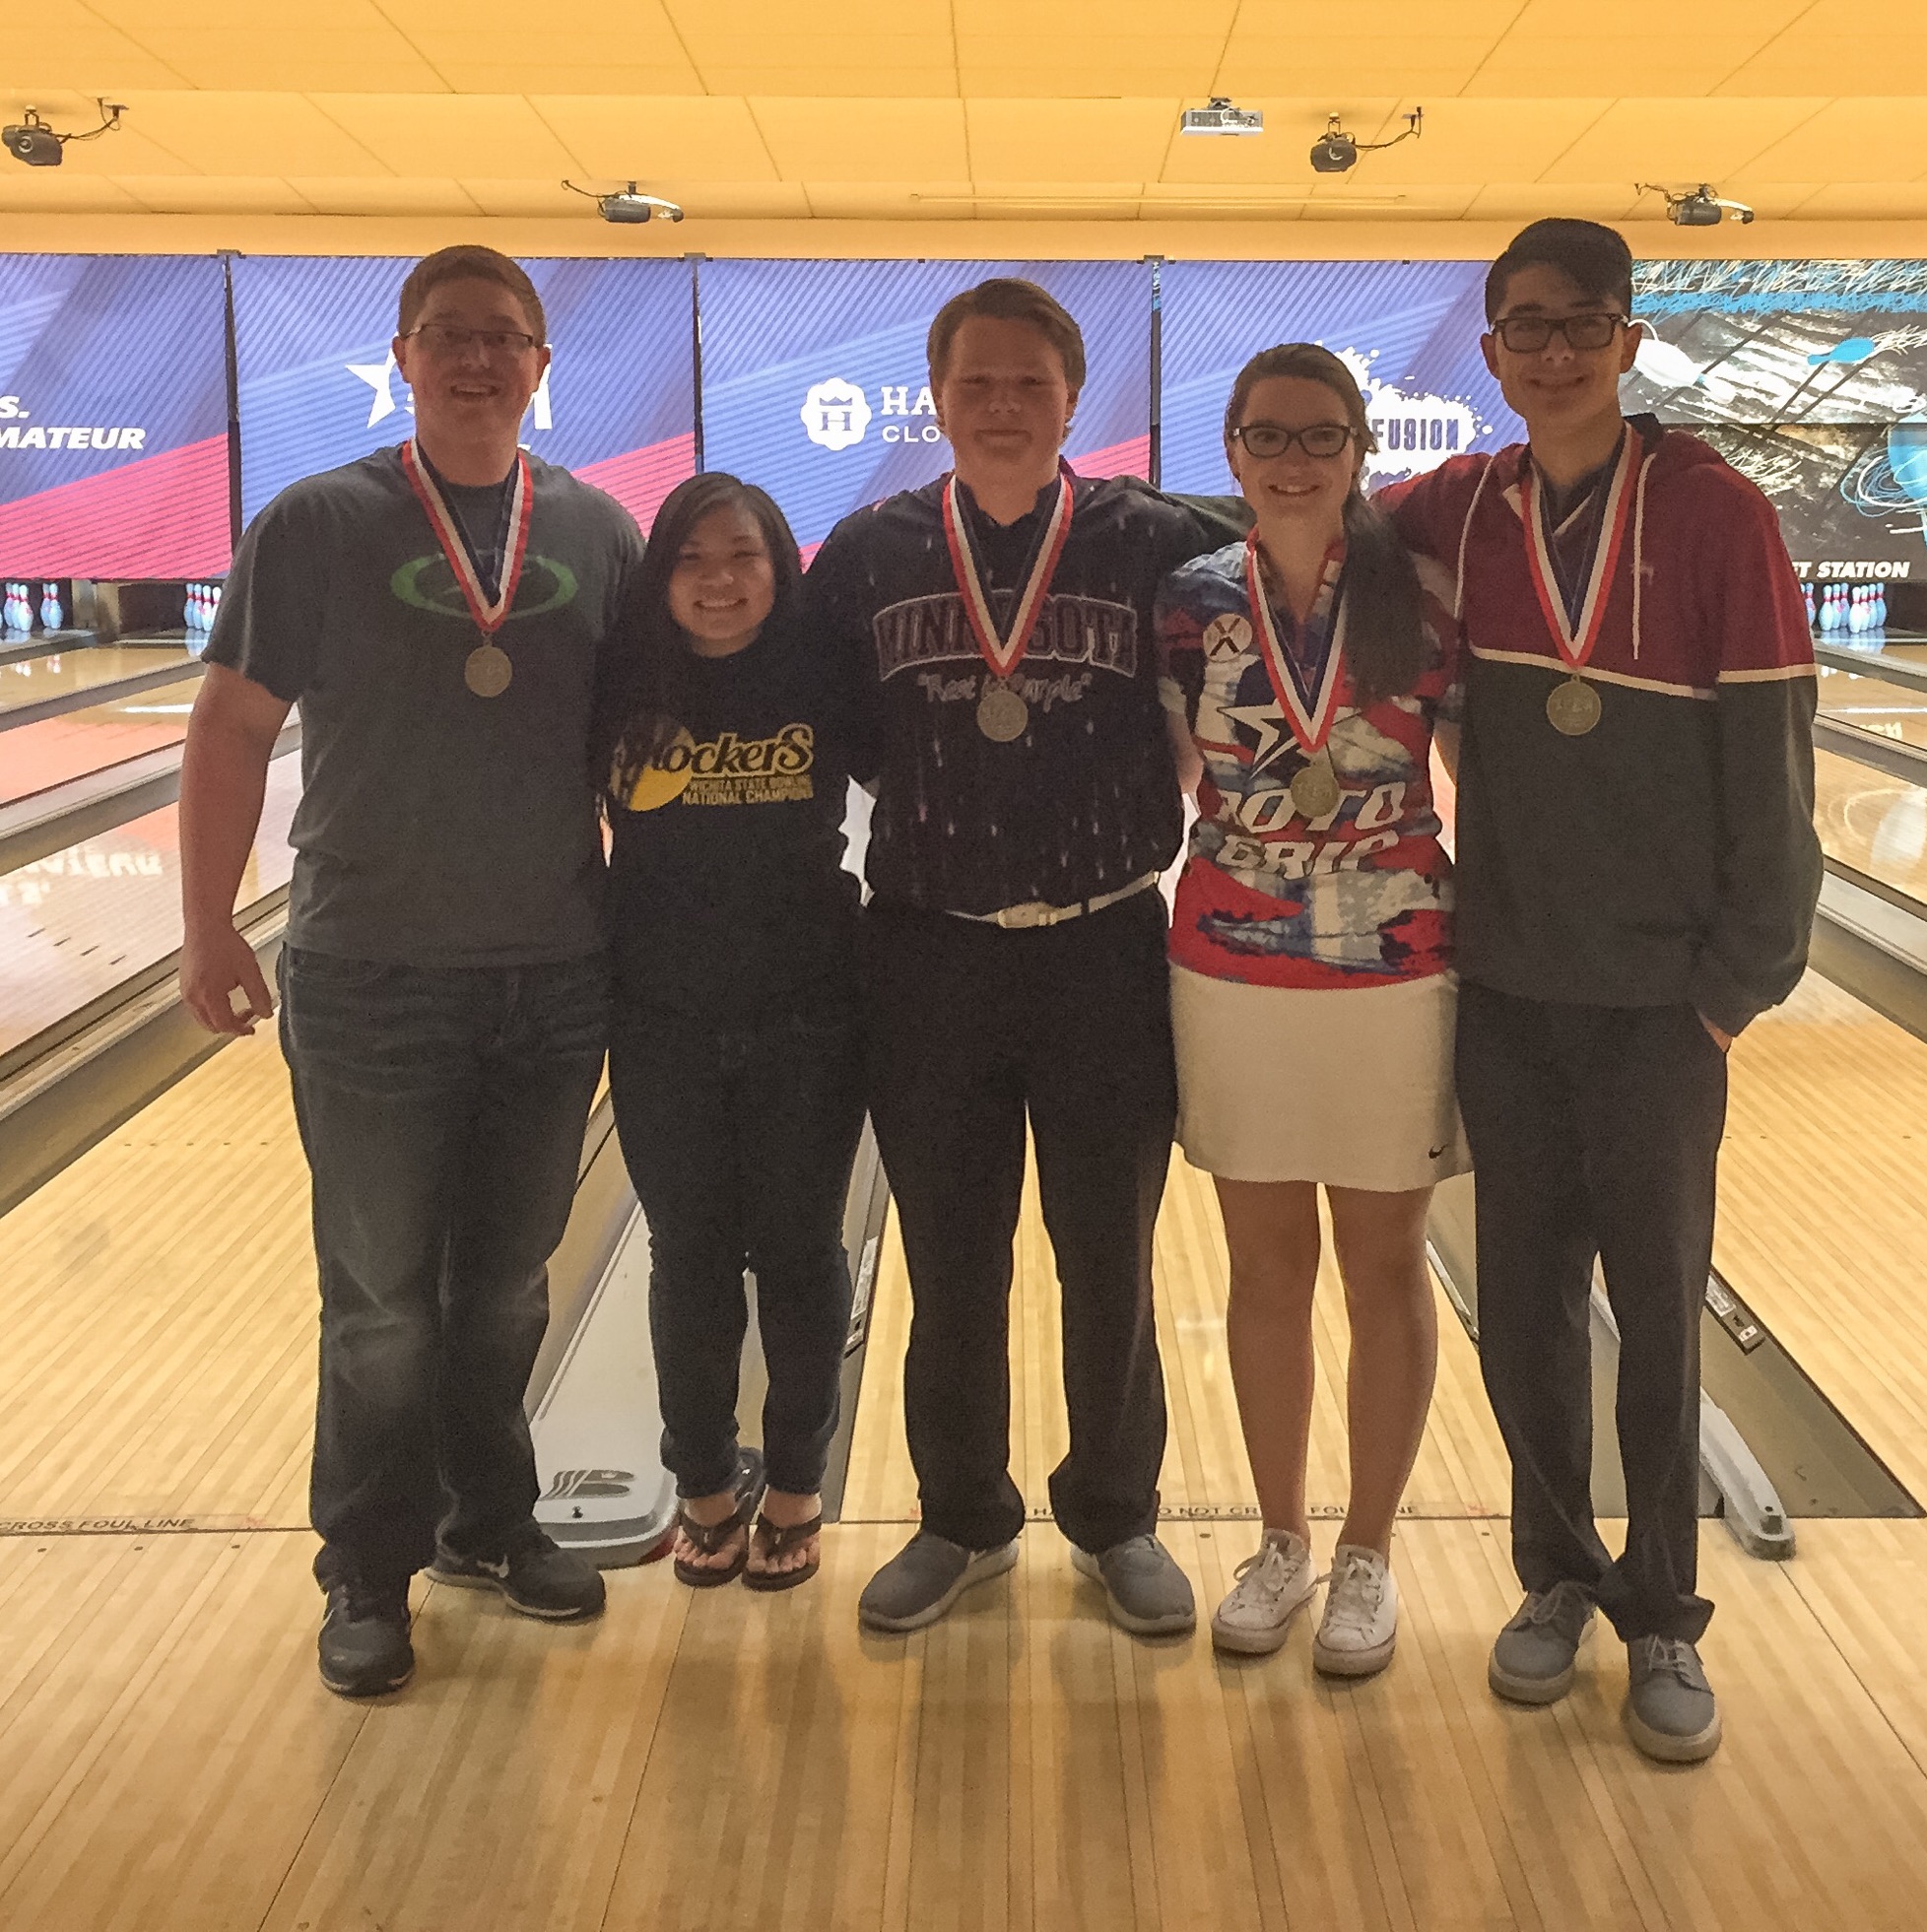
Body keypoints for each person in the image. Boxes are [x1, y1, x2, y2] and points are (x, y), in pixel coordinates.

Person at [1378, 219, 1822, 1763]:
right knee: (1523, 1317)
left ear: (1628, 343)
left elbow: (1773, 780)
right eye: (1523, 329)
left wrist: (1733, 988)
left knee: (1655, 1317)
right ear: (1489, 351)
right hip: (1506, 985)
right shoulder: (1464, 502)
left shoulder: (1717, 514)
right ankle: (1555, 1578)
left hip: (1656, 1008)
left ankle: (1665, 1618)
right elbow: (1299, 522)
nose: (1552, 353)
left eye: (1581, 326)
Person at [180, 244, 643, 1699]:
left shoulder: (600, 528)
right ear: (403, 353)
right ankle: (365, 1571)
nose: (476, 360)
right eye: (448, 335)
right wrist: (206, 925)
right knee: (382, 1300)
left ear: (541, 366)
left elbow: (637, 755)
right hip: (372, 975)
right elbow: (231, 728)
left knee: (505, 1288)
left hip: (553, 973)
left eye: (503, 338)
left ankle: (489, 1526)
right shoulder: (318, 520)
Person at [806, 278, 1239, 1637]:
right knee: (950, 1256)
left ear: (1073, 400)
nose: (1001, 407)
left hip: (1106, 948)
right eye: (975, 385)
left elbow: (1306, 579)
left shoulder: (1158, 541)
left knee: (1108, 1255)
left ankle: (1115, 1518)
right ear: (936, 398)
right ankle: (962, 1517)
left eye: (1029, 387)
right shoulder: (868, 550)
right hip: (928, 954)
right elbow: (830, 732)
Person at [1157, 344, 1464, 1676]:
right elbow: (1163, 768)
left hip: (1396, 969)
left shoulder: (1424, 596)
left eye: (1320, 434)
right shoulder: (1183, 603)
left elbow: (1488, 782)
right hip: (1232, 964)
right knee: (1266, 1269)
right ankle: (1279, 1539)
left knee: (1382, 1268)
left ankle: (1367, 1552)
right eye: (1267, 433)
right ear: (1231, 450)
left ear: (1359, 450)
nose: (1293, 456)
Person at [594, 473, 868, 1592]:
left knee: (801, 1255)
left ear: (780, 565)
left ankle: (796, 1482)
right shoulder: (619, 676)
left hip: (807, 1009)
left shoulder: (824, 669)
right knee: (690, 1259)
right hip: (660, 1011)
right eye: (693, 558)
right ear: (661, 573)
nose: (717, 579)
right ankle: (705, 1481)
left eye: (742, 555)